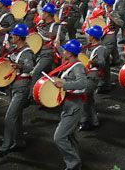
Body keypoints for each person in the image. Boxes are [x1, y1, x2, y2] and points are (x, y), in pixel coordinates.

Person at [0, 23, 34, 158]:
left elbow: (29, 66)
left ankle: (6, 145)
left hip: (22, 87)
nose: (11, 36)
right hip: (13, 85)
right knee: (16, 116)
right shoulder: (15, 49)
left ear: (19, 37)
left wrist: (19, 65)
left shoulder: (27, 52)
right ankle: (19, 141)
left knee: (10, 117)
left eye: (13, 35)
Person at [52, 39, 89, 170]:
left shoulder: (77, 67)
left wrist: (64, 84)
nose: (64, 52)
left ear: (71, 53)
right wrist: (58, 47)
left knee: (59, 137)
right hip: (69, 105)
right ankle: (76, 162)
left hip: (74, 106)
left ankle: (73, 164)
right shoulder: (70, 62)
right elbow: (64, 52)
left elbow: (83, 83)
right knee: (69, 135)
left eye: (66, 50)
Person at [82, 25, 107, 131]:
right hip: (88, 75)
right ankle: (94, 121)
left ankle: (84, 121)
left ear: (93, 36)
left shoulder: (100, 49)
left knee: (82, 96)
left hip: (92, 77)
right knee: (89, 100)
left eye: (90, 35)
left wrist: (93, 62)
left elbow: (102, 63)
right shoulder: (90, 46)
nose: (88, 36)